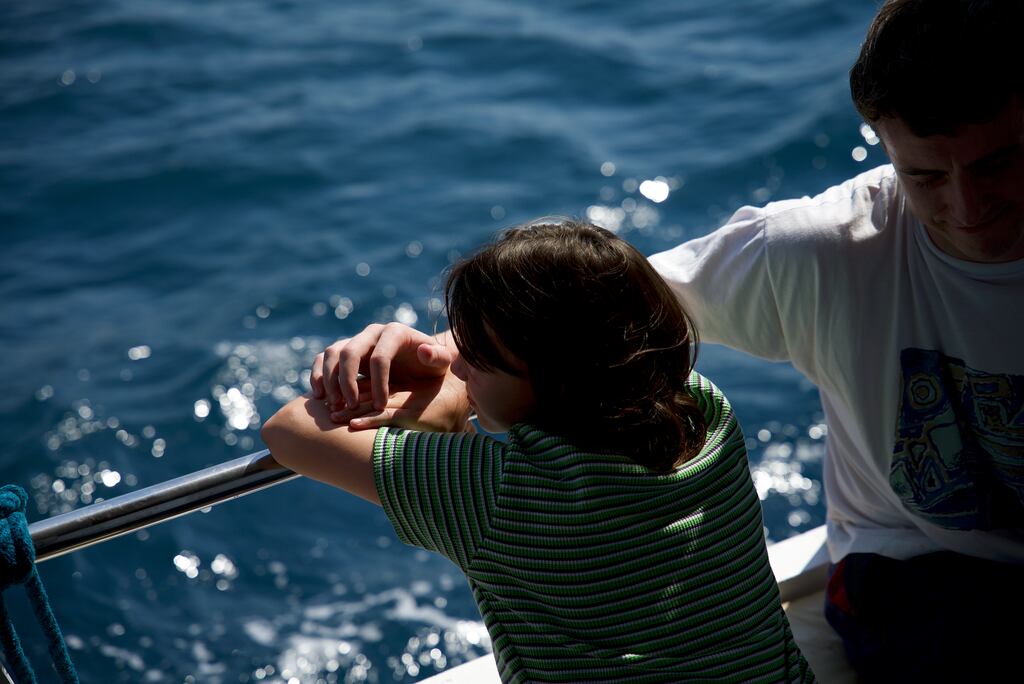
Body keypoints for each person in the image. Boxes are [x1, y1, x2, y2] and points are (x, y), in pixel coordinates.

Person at [313, 2, 1024, 680]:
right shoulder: (818, 251)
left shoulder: (498, 500)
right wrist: (448, 352)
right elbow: (593, 318)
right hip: (913, 574)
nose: (966, 207)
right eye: (924, 175)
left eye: (997, 164)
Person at [263, 220, 815, 683]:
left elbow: (288, 430)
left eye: (478, 356)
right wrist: (469, 372)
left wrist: (443, 396)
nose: (456, 364)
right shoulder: (704, 412)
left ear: (556, 379)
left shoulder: (500, 494)